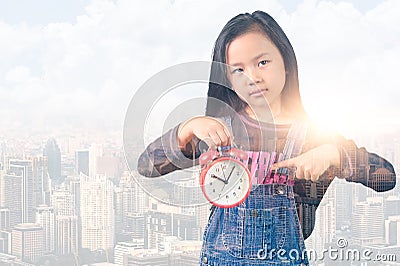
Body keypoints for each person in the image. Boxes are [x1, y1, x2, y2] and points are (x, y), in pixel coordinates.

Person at [137, 11, 396, 265]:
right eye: (238, 69)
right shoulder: (217, 132)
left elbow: (386, 178)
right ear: (226, 79)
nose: (253, 78)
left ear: (286, 62)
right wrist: (186, 129)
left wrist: (335, 155)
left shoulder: (314, 136)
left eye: (262, 62)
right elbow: (147, 166)